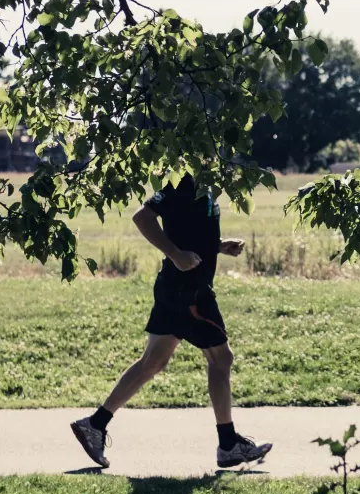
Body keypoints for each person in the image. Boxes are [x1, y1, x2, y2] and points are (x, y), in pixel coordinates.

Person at [70, 173, 272, 470]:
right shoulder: (182, 183)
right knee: (220, 358)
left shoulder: (206, 186)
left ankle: (95, 424)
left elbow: (189, 230)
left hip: (180, 287)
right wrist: (175, 254)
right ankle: (228, 445)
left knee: (153, 361)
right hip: (187, 291)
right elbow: (142, 217)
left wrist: (217, 246)